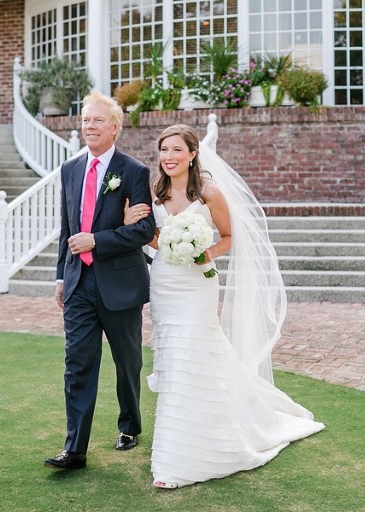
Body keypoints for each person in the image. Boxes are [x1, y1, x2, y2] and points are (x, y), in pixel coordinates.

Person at [124, 124, 324, 488]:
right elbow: (154, 241)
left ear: (192, 154)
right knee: (173, 360)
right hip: (166, 283)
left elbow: (230, 236)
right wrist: (141, 230)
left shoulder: (209, 193)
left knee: (195, 355)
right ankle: (179, 440)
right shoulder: (155, 193)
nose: (169, 157)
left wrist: (205, 253)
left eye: (176, 150)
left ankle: (180, 461)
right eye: (164, 150)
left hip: (198, 284)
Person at [45, 90, 156, 471]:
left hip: (120, 284)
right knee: (77, 364)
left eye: (97, 120)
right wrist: (62, 276)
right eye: (85, 120)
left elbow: (144, 230)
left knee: (127, 362)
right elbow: (68, 227)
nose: (88, 126)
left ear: (114, 127)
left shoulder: (134, 171)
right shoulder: (70, 169)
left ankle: (129, 425)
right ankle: (75, 449)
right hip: (79, 283)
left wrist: (99, 240)